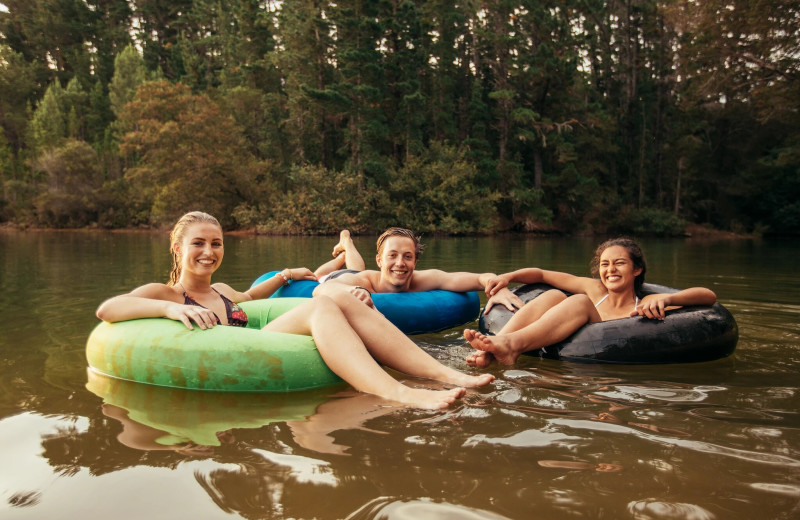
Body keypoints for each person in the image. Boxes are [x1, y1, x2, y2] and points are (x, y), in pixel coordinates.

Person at [96, 212, 494, 409]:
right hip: (233, 354)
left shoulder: (222, 290)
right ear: (178, 249)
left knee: (333, 296)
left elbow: (255, 298)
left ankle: (441, 372)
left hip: (256, 342)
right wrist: (169, 312)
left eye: (216, 244)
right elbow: (108, 309)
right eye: (198, 243)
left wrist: (289, 273)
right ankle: (396, 391)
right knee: (319, 308)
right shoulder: (164, 292)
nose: (208, 252)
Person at [463, 237, 718, 368]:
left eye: (620, 263)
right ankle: (495, 349)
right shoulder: (595, 288)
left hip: (602, 367)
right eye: (605, 264)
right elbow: (541, 275)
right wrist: (508, 276)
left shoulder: (648, 300)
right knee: (553, 295)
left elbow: (708, 297)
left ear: (637, 270)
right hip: (565, 351)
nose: (611, 270)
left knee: (581, 302)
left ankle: (509, 346)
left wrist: (670, 298)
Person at [312, 227, 523, 311]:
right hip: (338, 277)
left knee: (356, 267)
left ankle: (346, 246)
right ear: (379, 260)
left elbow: (480, 278)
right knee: (332, 272)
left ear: (415, 262)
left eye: (407, 257)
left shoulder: (423, 279)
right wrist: (353, 293)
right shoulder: (363, 282)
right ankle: (345, 243)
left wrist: (499, 287)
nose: (400, 263)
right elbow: (321, 289)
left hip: (359, 274)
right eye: (392, 256)